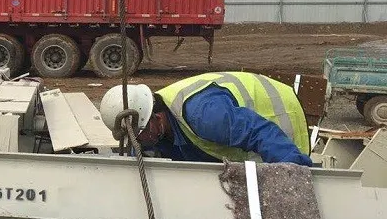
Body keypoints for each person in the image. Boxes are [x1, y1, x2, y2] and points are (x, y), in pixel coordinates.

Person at [99, 72, 312, 166]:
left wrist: (294, 172)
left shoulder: (204, 115)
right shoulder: (158, 129)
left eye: (139, 134)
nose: (139, 141)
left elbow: (259, 132)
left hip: (281, 114)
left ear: (154, 117)